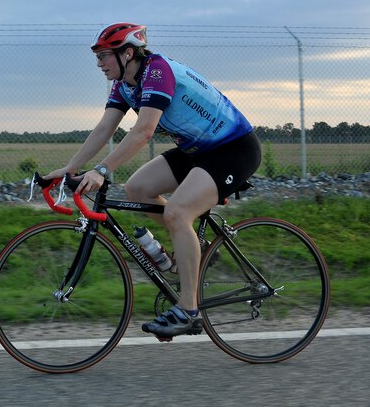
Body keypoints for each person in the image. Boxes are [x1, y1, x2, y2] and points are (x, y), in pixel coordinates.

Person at [44, 22, 261, 339]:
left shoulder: (157, 71)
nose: (99, 63)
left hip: (233, 149)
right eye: (98, 57)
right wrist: (70, 168)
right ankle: (190, 246)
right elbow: (104, 129)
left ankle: (188, 310)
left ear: (127, 53)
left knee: (177, 212)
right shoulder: (124, 84)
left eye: (105, 56)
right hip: (196, 150)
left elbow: (143, 132)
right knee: (137, 189)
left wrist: (101, 171)